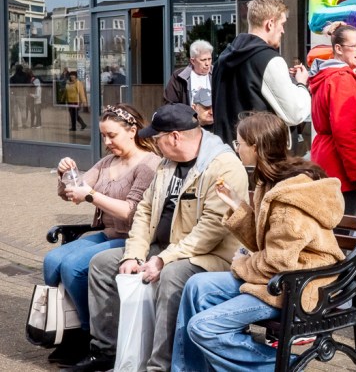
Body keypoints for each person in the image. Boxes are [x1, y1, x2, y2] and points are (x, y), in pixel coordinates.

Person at [71, 103, 247, 372]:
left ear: (174, 137)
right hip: (164, 248)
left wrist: (162, 260)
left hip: (209, 256)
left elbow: (212, 230)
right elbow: (144, 210)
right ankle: (107, 351)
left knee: (173, 276)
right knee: (102, 263)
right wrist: (134, 253)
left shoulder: (222, 167)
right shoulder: (167, 163)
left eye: (157, 138)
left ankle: (159, 366)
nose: (152, 143)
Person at [171, 112, 346, 371]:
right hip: (282, 279)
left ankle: (289, 365)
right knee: (196, 286)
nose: (236, 148)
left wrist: (242, 264)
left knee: (203, 328)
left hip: (299, 288)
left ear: (255, 146)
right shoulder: (270, 180)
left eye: (239, 143)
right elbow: (265, 243)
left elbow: (277, 262)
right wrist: (237, 205)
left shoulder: (289, 198)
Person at [43, 104, 160, 366]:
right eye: (103, 136)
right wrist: (66, 175)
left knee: (73, 266)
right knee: (52, 261)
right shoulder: (108, 162)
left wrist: (92, 195)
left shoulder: (149, 165)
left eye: (112, 135)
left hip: (132, 238)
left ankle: (90, 335)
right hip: (107, 233)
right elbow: (72, 192)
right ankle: (72, 329)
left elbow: (132, 213)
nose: (107, 142)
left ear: (132, 131)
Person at [211, 0, 310, 147]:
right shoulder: (269, 60)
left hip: (226, 154)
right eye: (282, 24)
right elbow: (294, 114)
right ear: (270, 24)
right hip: (259, 156)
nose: (283, 31)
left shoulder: (222, 59)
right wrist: (301, 84)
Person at [308, 21, 356, 216]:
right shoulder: (342, 79)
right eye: (354, 46)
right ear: (338, 49)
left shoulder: (332, 76)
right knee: (344, 228)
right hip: (342, 167)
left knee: (339, 226)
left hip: (332, 159)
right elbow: (345, 131)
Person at [164, 39, 213, 105]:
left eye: (209, 59)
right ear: (193, 61)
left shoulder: (217, 74)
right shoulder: (179, 76)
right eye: (203, 60)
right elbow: (169, 104)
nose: (207, 63)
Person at [10, 63, 30, 129]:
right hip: (22, 95)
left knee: (15, 111)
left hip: (15, 95)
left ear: (16, 69)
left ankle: (16, 125)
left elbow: (11, 87)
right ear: (22, 69)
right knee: (23, 110)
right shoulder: (26, 76)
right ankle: (24, 124)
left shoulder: (13, 77)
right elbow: (28, 84)